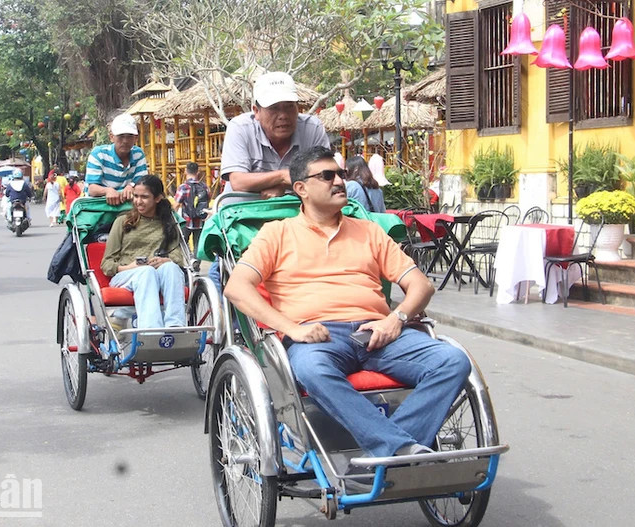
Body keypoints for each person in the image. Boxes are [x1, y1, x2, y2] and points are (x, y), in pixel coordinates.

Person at [224, 147, 470, 467]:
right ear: (301, 189)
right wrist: (292, 329)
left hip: (377, 330)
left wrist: (395, 319)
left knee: (452, 360)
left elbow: (421, 285)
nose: (339, 181)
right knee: (312, 369)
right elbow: (236, 288)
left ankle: (390, 450)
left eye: (340, 174)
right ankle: (397, 448)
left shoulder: (368, 231)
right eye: (327, 176)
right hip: (318, 335)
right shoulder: (277, 234)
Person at [220, 72, 330, 198]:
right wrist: (282, 177)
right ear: (256, 111)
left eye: (289, 107)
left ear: (297, 107)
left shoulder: (312, 128)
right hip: (242, 212)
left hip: (298, 211)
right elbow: (238, 181)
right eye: (274, 108)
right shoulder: (240, 128)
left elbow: (325, 177)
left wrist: (282, 185)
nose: (283, 115)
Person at [101, 175, 185, 329]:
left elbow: (177, 256)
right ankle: (151, 331)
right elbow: (107, 263)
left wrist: (166, 260)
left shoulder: (168, 222)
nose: (138, 201)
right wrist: (129, 267)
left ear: (158, 198)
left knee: (171, 268)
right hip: (125, 275)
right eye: (136, 196)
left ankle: (175, 326)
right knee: (146, 272)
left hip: (158, 273)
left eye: (144, 197)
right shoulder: (123, 221)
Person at [85, 113, 147, 205]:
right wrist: (107, 191)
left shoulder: (138, 154)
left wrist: (131, 186)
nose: (125, 141)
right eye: (121, 136)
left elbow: (142, 181)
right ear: (111, 137)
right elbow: (92, 189)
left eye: (129, 136)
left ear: (135, 138)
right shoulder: (99, 154)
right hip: (99, 205)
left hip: (126, 204)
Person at [174, 162, 210, 256]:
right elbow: (207, 201)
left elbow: (176, 204)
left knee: (182, 242)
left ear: (185, 171)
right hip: (200, 220)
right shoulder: (205, 187)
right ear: (198, 172)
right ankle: (196, 263)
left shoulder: (183, 187)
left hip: (186, 220)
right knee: (198, 243)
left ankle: (188, 259)